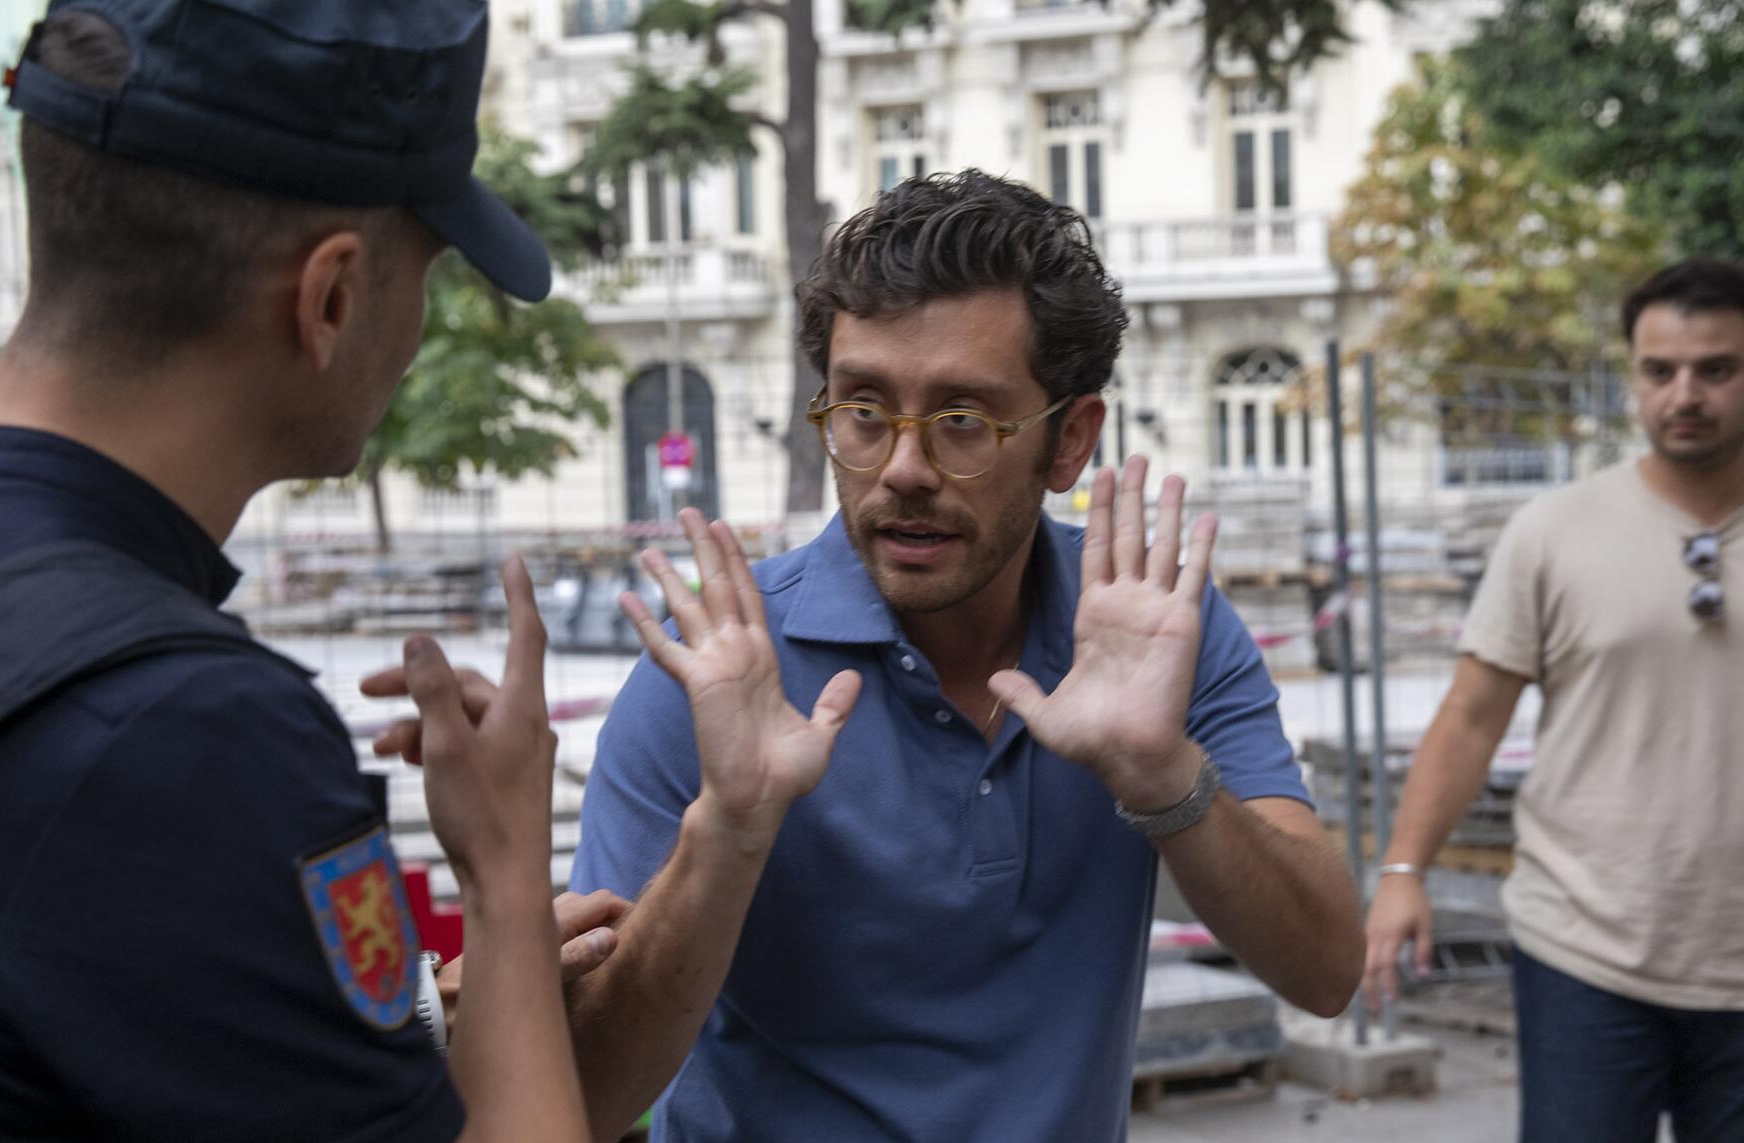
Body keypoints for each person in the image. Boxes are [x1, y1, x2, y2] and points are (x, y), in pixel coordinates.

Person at [0, 0, 593, 1138]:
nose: (414, 327)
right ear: (331, 298)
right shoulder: (182, 734)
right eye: (428, 269)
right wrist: (506, 875)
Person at [563, 171, 1363, 1141]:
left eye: (960, 422)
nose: (901, 467)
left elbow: (1324, 972)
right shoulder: (714, 675)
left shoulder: (1156, 637)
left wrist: (1159, 773)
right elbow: (589, 1095)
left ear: (1068, 441)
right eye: (862, 410)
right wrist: (728, 831)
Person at [1362, 257, 1744, 1143]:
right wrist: (1403, 871)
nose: (1685, 394)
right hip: (1584, 950)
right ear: (1631, 373)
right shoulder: (1554, 531)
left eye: (1716, 369)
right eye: (1658, 370)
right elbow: (1472, 715)